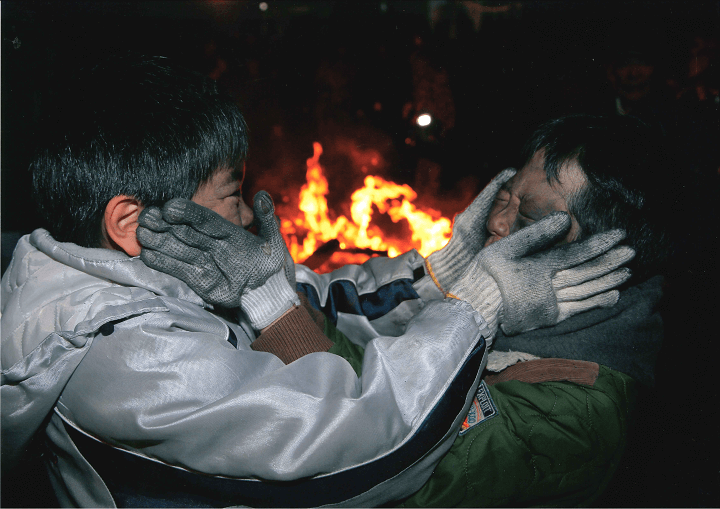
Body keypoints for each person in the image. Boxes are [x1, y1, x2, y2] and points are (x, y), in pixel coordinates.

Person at [1, 55, 633, 507]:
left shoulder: (127, 277)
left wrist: (438, 273)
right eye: (233, 194)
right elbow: (360, 437)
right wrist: (474, 306)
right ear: (130, 222)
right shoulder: (131, 356)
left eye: (529, 215)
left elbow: (322, 303)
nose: (249, 214)